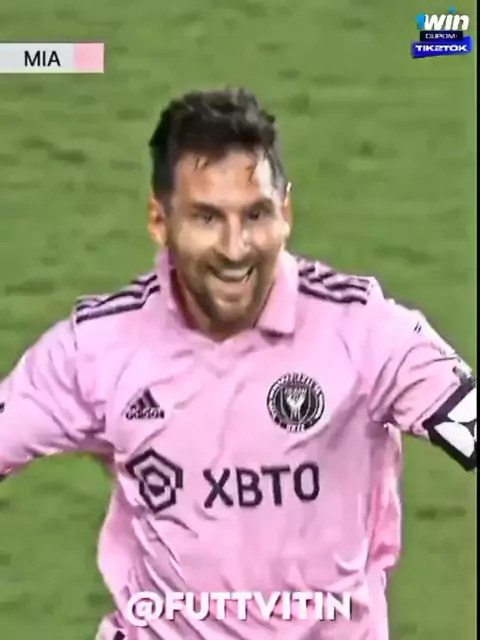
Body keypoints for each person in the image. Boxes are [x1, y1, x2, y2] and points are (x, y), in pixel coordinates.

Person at [0, 88, 476, 640]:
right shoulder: (99, 347)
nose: (235, 248)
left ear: (286, 213)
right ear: (159, 219)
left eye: (256, 215)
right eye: (207, 217)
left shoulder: (362, 330)